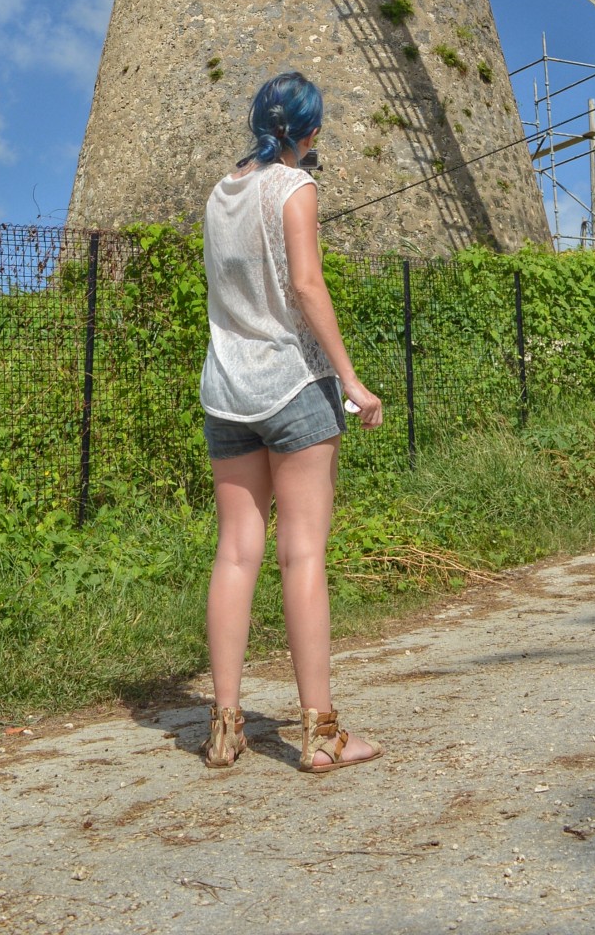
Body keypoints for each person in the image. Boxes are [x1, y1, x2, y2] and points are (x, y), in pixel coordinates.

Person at [199, 70, 384, 773]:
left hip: (226, 388)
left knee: (234, 554)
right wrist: (350, 379)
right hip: (293, 385)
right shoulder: (295, 186)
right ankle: (322, 733)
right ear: (309, 132)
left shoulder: (220, 192)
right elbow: (306, 285)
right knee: (302, 555)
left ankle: (224, 729)